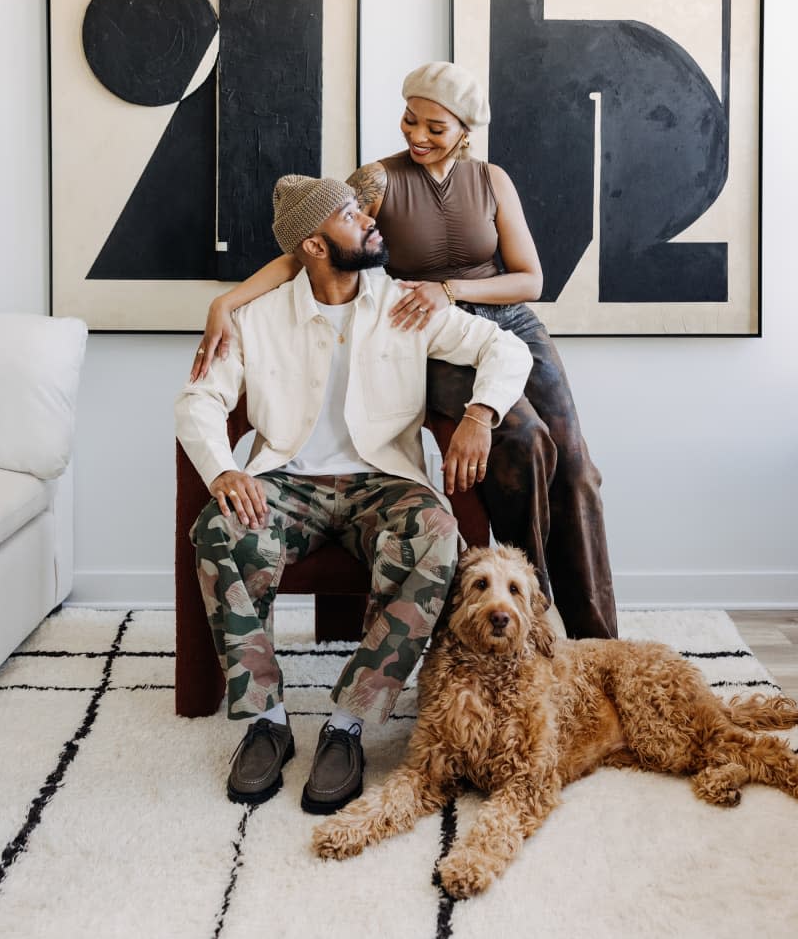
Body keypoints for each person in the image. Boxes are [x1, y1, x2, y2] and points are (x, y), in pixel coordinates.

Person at [190, 62, 618, 640]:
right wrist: (228, 303)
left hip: (505, 323)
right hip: (425, 331)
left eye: (435, 128)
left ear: (465, 131)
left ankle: (598, 641)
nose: (416, 135)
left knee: (578, 470)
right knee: (525, 442)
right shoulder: (378, 180)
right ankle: (536, 624)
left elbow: (529, 280)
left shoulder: (492, 180)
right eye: (410, 119)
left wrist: (451, 290)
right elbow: (309, 243)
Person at [175, 174, 531, 813]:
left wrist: (480, 415)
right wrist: (223, 470)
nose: (370, 221)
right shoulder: (257, 319)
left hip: (383, 483)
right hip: (285, 482)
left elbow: (505, 349)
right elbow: (200, 397)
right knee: (220, 527)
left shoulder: (405, 304)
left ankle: (348, 724)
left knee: (438, 532)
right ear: (313, 244)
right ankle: (268, 721)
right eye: (349, 215)